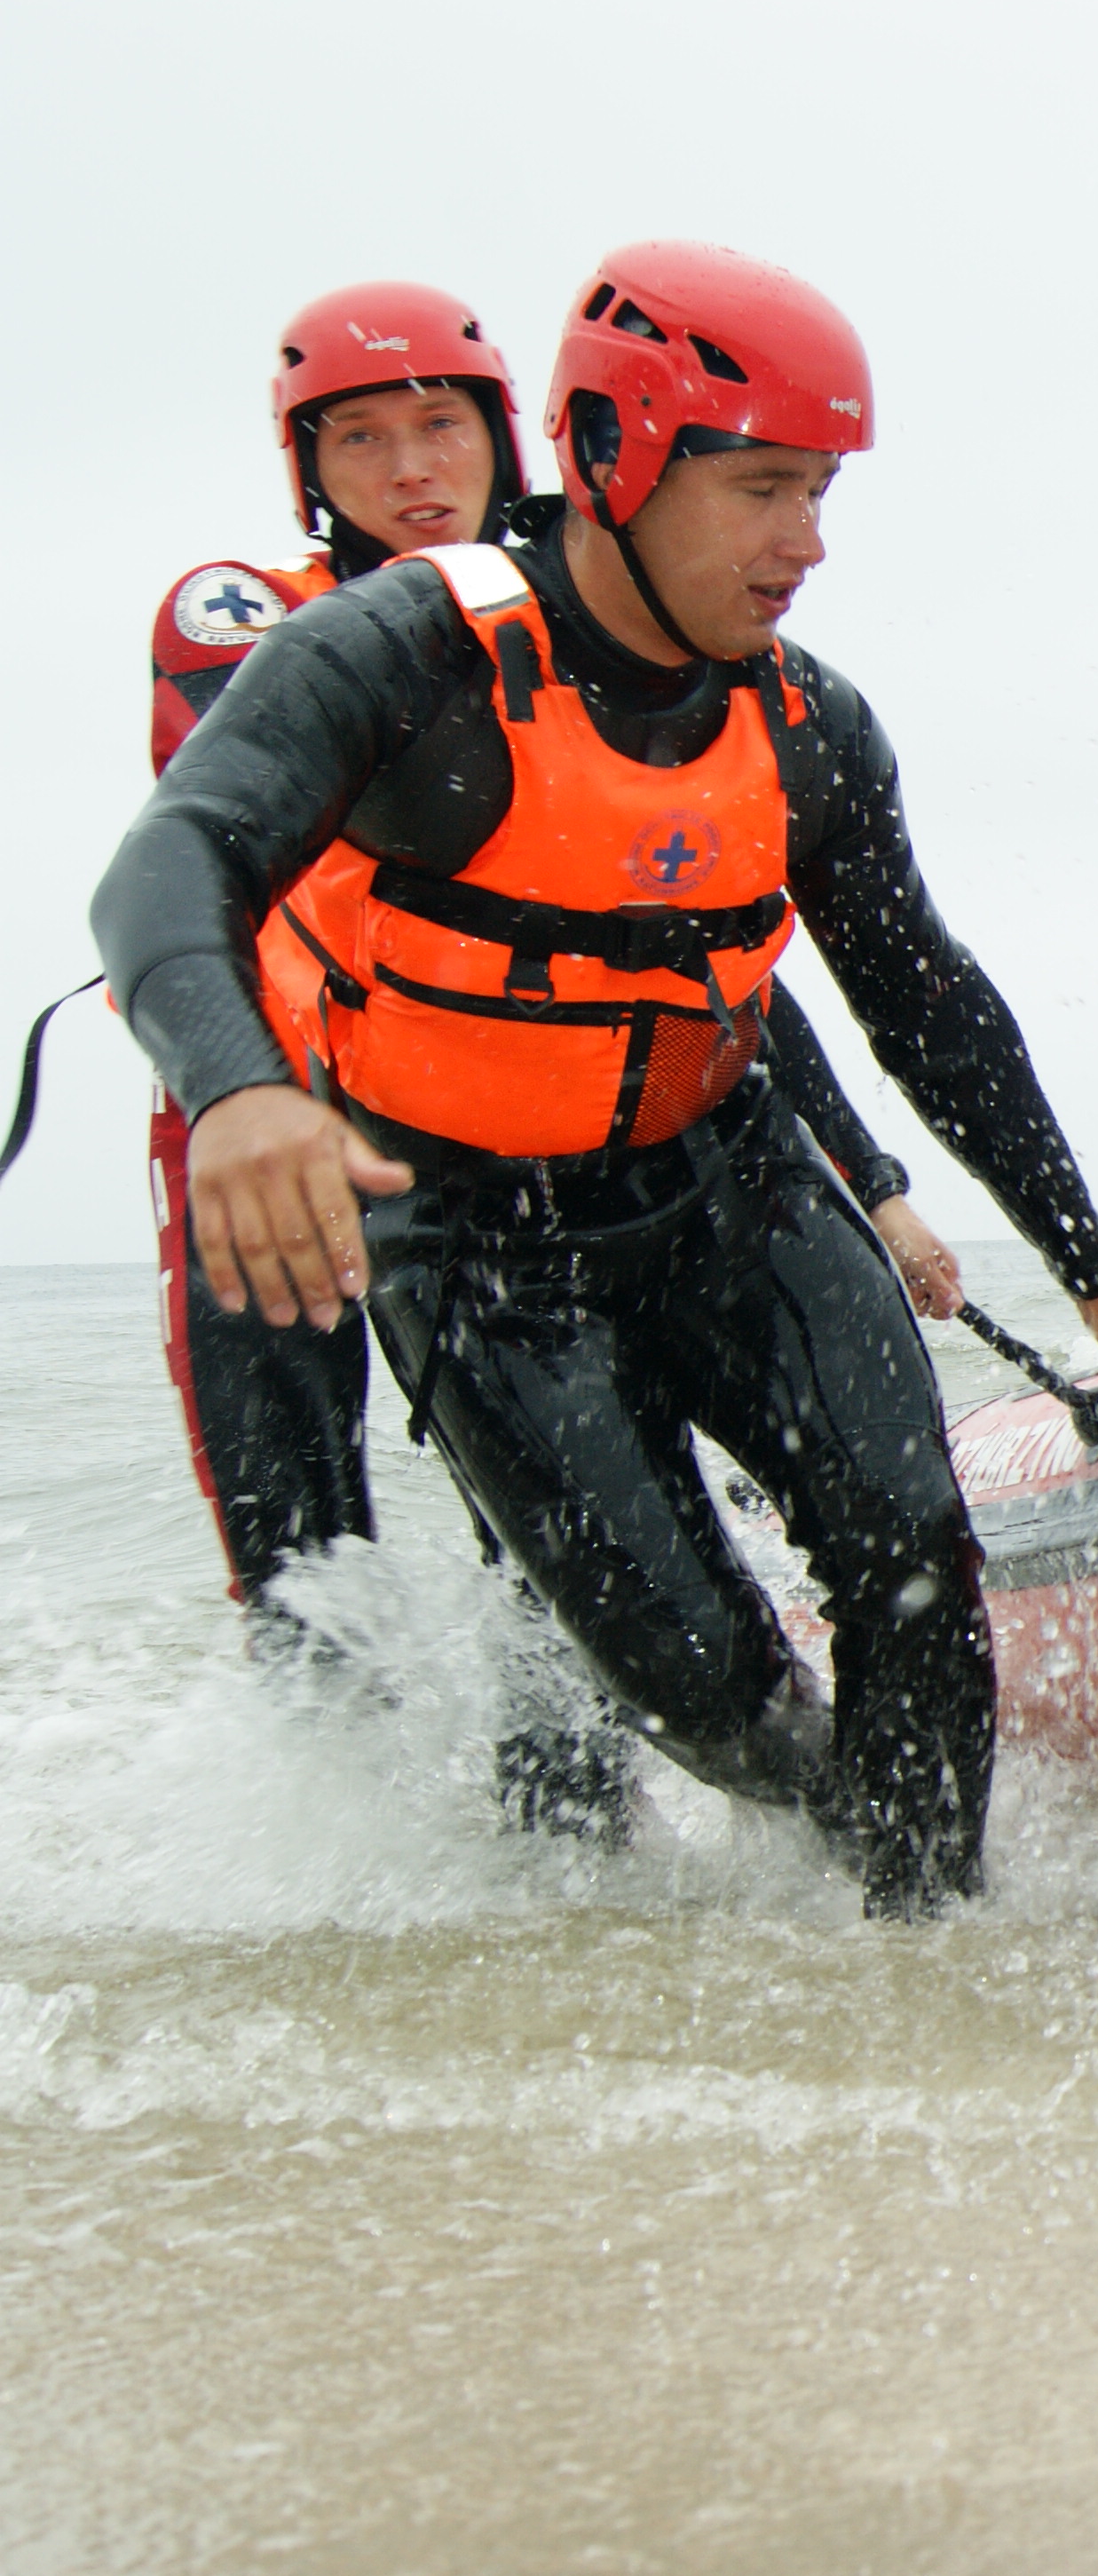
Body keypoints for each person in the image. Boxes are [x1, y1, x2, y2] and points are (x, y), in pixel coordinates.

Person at [95, 241, 1098, 1914]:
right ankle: (812, 1874)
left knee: (912, 1552)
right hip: (469, 1240)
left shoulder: (811, 725)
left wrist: (1092, 1261)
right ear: (612, 459)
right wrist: (239, 1090)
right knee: (705, 1684)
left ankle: (938, 1969)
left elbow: (930, 1006)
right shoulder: (409, 656)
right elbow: (169, 869)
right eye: (762, 489)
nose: (804, 546)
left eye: (820, 495)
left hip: (721, 1182)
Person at [147, 281, 961, 1638]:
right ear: (309, 470)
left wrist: (868, 1183)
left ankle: (571, 1821)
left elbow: (693, 977)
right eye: (360, 441)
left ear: (510, 440)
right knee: (291, 1538)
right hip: (269, 1117)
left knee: (543, 1554)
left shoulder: (616, 658)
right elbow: (211, 842)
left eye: (442, 428)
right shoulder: (271, 624)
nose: (413, 471)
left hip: (481, 1131)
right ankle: (333, 1822)